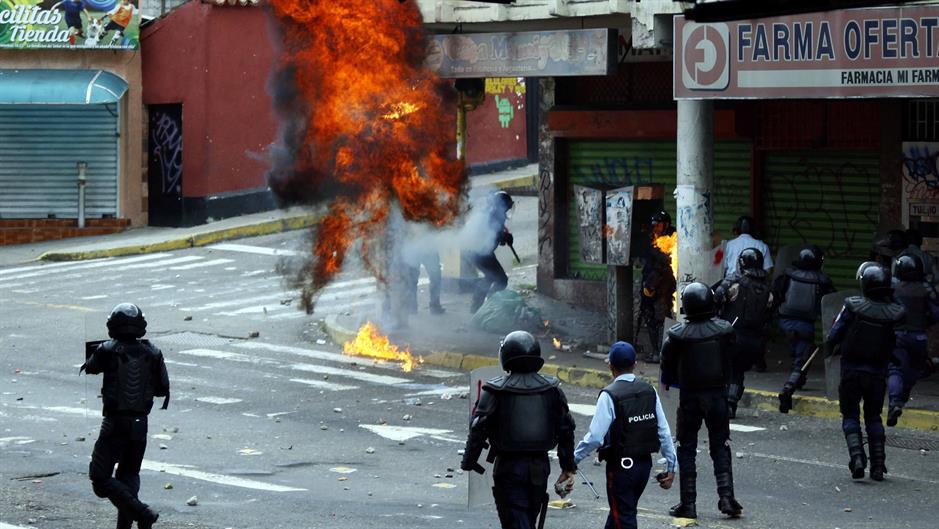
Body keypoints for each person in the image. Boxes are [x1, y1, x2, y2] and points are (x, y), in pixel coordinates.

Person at [461, 331, 576, 529]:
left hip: (509, 468)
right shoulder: (552, 390)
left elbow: (478, 429)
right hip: (539, 468)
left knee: (515, 521)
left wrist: (469, 461)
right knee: (527, 519)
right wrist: (567, 467)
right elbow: (566, 429)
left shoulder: (495, 391)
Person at [569, 341, 677, 529]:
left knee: (624, 518)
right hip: (644, 466)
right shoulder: (649, 390)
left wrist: (572, 461)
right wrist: (671, 466)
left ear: (610, 365)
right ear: (635, 364)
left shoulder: (609, 395)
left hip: (621, 469)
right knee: (620, 513)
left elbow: (595, 437)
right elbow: (663, 431)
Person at [81, 303, 169, 529]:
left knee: (100, 478)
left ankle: (143, 513)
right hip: (140, 425)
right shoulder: (154, 352)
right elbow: (162, 389)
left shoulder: (107, 349)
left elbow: (89, 367)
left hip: (114, 423)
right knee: (129, 475)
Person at [661, 283, 742, 519]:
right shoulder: (724, 330)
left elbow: (667, 365)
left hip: (690, 398)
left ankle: (688, 503)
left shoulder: (677, 335)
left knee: (686, 449)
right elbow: (734, 357)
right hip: (717, 396)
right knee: (721, 446)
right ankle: (727, 498)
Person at [825, 264, 904, 481]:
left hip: (851, 371)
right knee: (874, 417)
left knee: (850, 415)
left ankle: (857, 457)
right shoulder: (893, 313)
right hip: (877, 374)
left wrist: (829, 349)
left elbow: (835, 333)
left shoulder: (853, 306)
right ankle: (878, 465)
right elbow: (898, 334)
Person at [773, 245, 835, 413]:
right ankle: (788, 389)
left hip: (784, 321)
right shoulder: (822, 280)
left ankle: (799, 379)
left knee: (800, 352)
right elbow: (830, 304)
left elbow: (776, 294)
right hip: (804, 325)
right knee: (802, 357)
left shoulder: (787, 274)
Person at [713, 248, 773, 419]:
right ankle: (731, 403)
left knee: (724, 368)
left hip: (732, 335)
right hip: (755, 340)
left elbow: (717, 297)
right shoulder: (768, 288)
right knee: (737, 371)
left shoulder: (736, 283)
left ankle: (721, 403)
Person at [887, 254, 939, 426]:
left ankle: (895, 401)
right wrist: (925, 323)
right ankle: (900, 400)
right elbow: (936, 313)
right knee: (913, 371)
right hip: (919, 337)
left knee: (895, 369)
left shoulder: (893, 288)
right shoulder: (925, 288)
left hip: (898, 336)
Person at [467, 190, 514, 313]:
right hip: (480, 253)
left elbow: (497, 234)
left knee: (491, 277)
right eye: (506, 207)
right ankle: (489, 304)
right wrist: (504, 237)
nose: (507, 210)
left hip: (482, 252)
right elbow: (490, 235)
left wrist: (504, 236)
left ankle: (478, 306)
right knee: (501, 279)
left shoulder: (493, 213)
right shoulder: (491, 216)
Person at [639, 210, 677, 363]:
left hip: (667, 284)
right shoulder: (652, 238)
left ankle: (665, 352)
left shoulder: (674, 236)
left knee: (666, 316)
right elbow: (654, 254)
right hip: (651, 281)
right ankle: (655, 351)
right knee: (648, 314)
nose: (656, 228)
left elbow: (669, 259)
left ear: (666, 224)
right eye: (654, 225)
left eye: (659, 225)